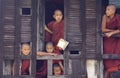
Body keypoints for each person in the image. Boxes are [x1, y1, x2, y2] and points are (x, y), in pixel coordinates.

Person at [101, 4, 120, 78]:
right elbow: (103, 29)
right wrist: (114, 31)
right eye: (106, 10)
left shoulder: (118, 17)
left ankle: (108, 74)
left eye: (108, 10)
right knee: (107, 60)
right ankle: (107, 73)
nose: (106, 11)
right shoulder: (104, 17)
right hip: (107, 41)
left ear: (113, 11)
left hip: (115, 41)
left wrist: (112, 33)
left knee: (115, 58)